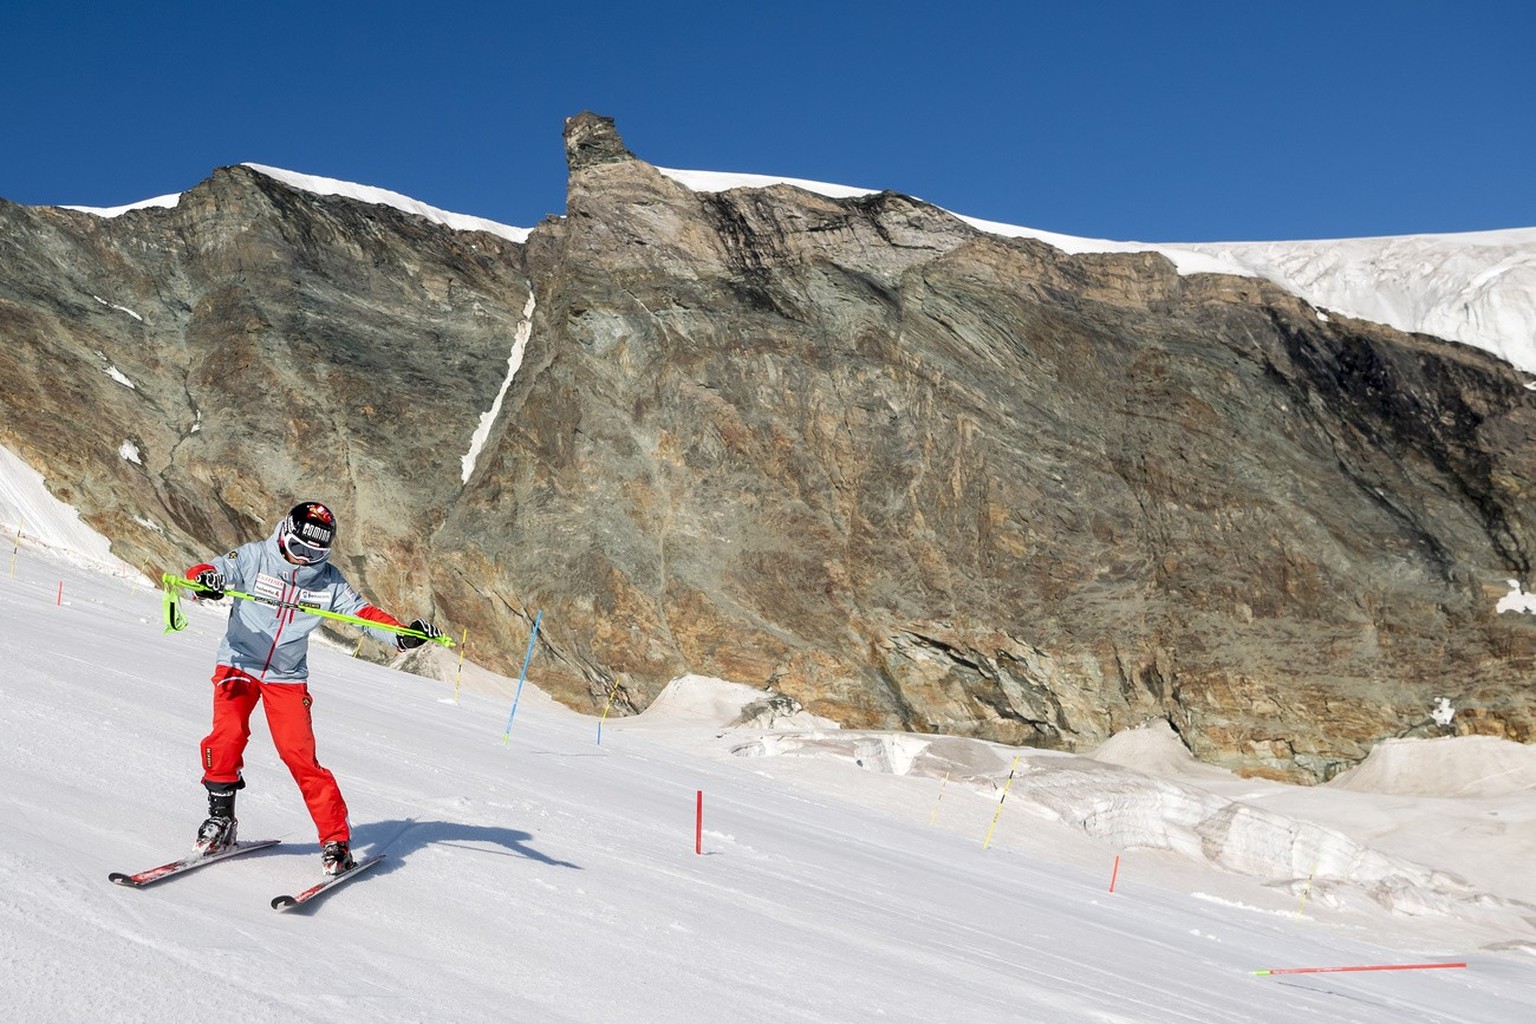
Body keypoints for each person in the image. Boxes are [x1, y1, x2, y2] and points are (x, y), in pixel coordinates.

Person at [185, 500, 442, 875]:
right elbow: (211, 572)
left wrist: (403, 634)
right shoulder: (255, 557)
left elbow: (363, 615)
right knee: (227, 734)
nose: (303, 559)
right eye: (298, 548)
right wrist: (204, 582)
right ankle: (221, 820)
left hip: (286, 677)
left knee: (299, 756)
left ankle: (336, 840)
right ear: (284, 534)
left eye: (314, 553)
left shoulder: (329, 582)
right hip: (239, 662)